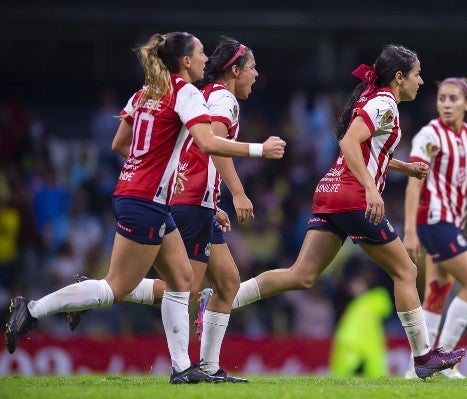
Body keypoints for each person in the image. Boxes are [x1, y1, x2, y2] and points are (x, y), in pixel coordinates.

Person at [3, 31, 285, 384]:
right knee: (116, 288)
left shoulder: (145, 93)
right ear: (184, 61)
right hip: (147, 201)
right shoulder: (186, 93)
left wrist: (166, 174)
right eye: (199, 53)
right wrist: (261, 149)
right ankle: (31, 310)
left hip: (143, 195)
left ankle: (184, 368)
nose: (204, 60)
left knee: (182, 279)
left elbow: (120, 143)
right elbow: (209, 143)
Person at [230, 44, 465, 380]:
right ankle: (423, 356)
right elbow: (348, 143)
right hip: (353, 197)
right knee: (406, 272)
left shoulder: (375, 100)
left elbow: (367, 151)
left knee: (302, 275)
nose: (421, 81)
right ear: (399, 77)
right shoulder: (385, 104)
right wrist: (372, 188)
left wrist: (403, 168)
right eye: (417, 74)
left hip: (329, 193)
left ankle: (226, 298)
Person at [67, 36, 267, 383]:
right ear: (235, 70)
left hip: (198, 201)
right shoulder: (224, 99)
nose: (257, 74)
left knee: (227, 282)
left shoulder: (204, 96)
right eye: (252, 67)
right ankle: (95, 292)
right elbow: (213, 147)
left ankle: (209, 368)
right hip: (191, 202)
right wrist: (237, 193)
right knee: (183, 287)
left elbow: (190, 150)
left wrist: (212, 200)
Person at [402, 77, 467, 379]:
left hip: (452, 222)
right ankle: (442, 360)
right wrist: (409, 230)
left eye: (453, 99)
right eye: (442, 99)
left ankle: (416, 367)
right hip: (433, 221)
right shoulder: (429, 135)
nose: (446, 104)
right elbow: (413, 183)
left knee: (437, 291)